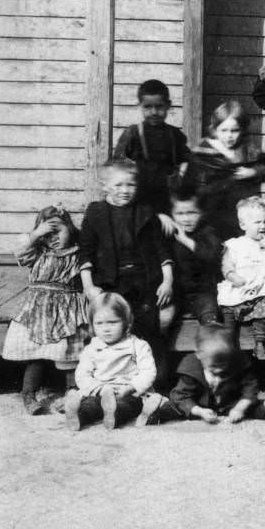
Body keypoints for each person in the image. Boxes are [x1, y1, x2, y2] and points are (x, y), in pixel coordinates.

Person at [79, 159, 173, 383]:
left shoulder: (145, 212)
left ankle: (152, 383)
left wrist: (167, 281)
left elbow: (162, 250)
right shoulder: (96, 212)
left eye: (130, 185)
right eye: (118, 185)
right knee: (109, 325)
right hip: (111, 282)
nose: (125, 190)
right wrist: (89, 286)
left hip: (144, 281)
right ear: (105, 185)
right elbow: (85, 252)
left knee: (148, 329)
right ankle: (105, 381)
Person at [2, 206, 90, 415]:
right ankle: (29, 395)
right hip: (38, 310)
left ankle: (71, 393)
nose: (53, 239)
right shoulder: (38, 253)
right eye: (47, 235)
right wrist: (35, 234)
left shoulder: (79, 253)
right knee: (37, 353)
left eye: (57, 231)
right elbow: (20, 251)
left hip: (68, 310)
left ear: (69, 227)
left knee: (69, 353)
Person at [137, 322, 265, 425]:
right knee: (175, 407)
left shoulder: (237, 363)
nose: (220, 371)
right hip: (199, 403)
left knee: (254, 407)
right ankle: (156, 411)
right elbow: (181, 395)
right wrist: (199, 411)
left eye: (224, 366)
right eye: (214, 367)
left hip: (230, 403)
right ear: (198, 355)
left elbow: (250, 387)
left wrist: (240, 407)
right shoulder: (192, 367)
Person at [64, 292, 158, 430]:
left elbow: (148, 372)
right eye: (99, 323)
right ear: (92, 324)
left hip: (128, 392)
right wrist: (99, 389)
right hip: (100, 390)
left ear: (126, 322)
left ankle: (113, 414)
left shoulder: (138, 345)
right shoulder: (92, 348)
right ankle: (77, 415)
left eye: (112, 322)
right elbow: (82, 374)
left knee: (126, 406)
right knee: (90, 405)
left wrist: (131, 387)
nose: (106, 329)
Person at [217, 197, 265, 384]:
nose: (263, 226)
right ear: (243, 224)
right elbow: (226, 265)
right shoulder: (234, 244)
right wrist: (232, 275)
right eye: (257, 222)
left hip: (259, 289)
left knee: (263, 306)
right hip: (239, 287)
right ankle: (229, 344)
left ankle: (260, 343)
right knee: (228, 306)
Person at [182, 100, 265, 239]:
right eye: (224, 130)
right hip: (211, 209)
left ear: (242, 130)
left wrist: (253, 172)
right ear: (215, 129)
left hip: (239, 210)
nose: (229, 135)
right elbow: (189, 182)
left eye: (235, 130)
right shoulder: (204, 151)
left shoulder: (247, 149)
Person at [112, 79, 189, 215]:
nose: (154, 112)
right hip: (139, 198)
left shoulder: (175, 135)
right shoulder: (132, 133)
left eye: (159, 107)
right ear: (139, 106)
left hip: (167, 199)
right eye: (148, 107)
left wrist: (182, 171)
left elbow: (186, 160)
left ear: (168, 106)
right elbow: (117, 165)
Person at [159, 186, 223, 329]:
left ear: (201, 213)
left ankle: (210, 349)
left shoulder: (207, 232)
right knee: (163, 318)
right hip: (176, 291)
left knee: (211, 319)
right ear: (172, 215)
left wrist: (185, 240)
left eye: (192, 213)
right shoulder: (169, 232)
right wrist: (160, 217)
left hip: (203, 291)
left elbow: (211, 255)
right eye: (180, 214)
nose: (186, 219)